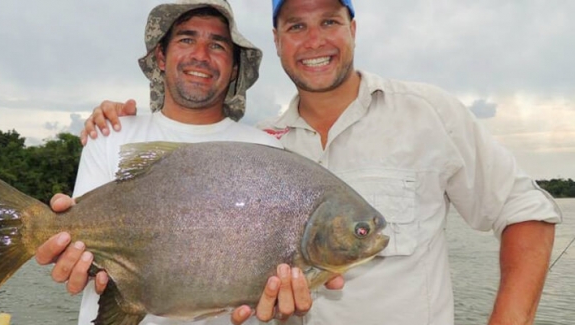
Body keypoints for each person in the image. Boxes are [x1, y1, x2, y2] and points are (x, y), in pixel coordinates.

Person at [77, 0, 564, 324]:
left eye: (329, 21)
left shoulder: (428, 113)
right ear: (276, 39)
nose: (314, 41)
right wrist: (120, 119)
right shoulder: (265, 145)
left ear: (353, 28)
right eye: (296, 26)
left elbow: (527, 213)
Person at [34, 1, 343, 324]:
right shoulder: (109, 134)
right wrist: (67, 253)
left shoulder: (266, 149)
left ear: (235, 68)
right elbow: (86, 256)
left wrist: (286, 308)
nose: (201, 54)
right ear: (161, 56)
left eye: (218, 45)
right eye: (186, 39)